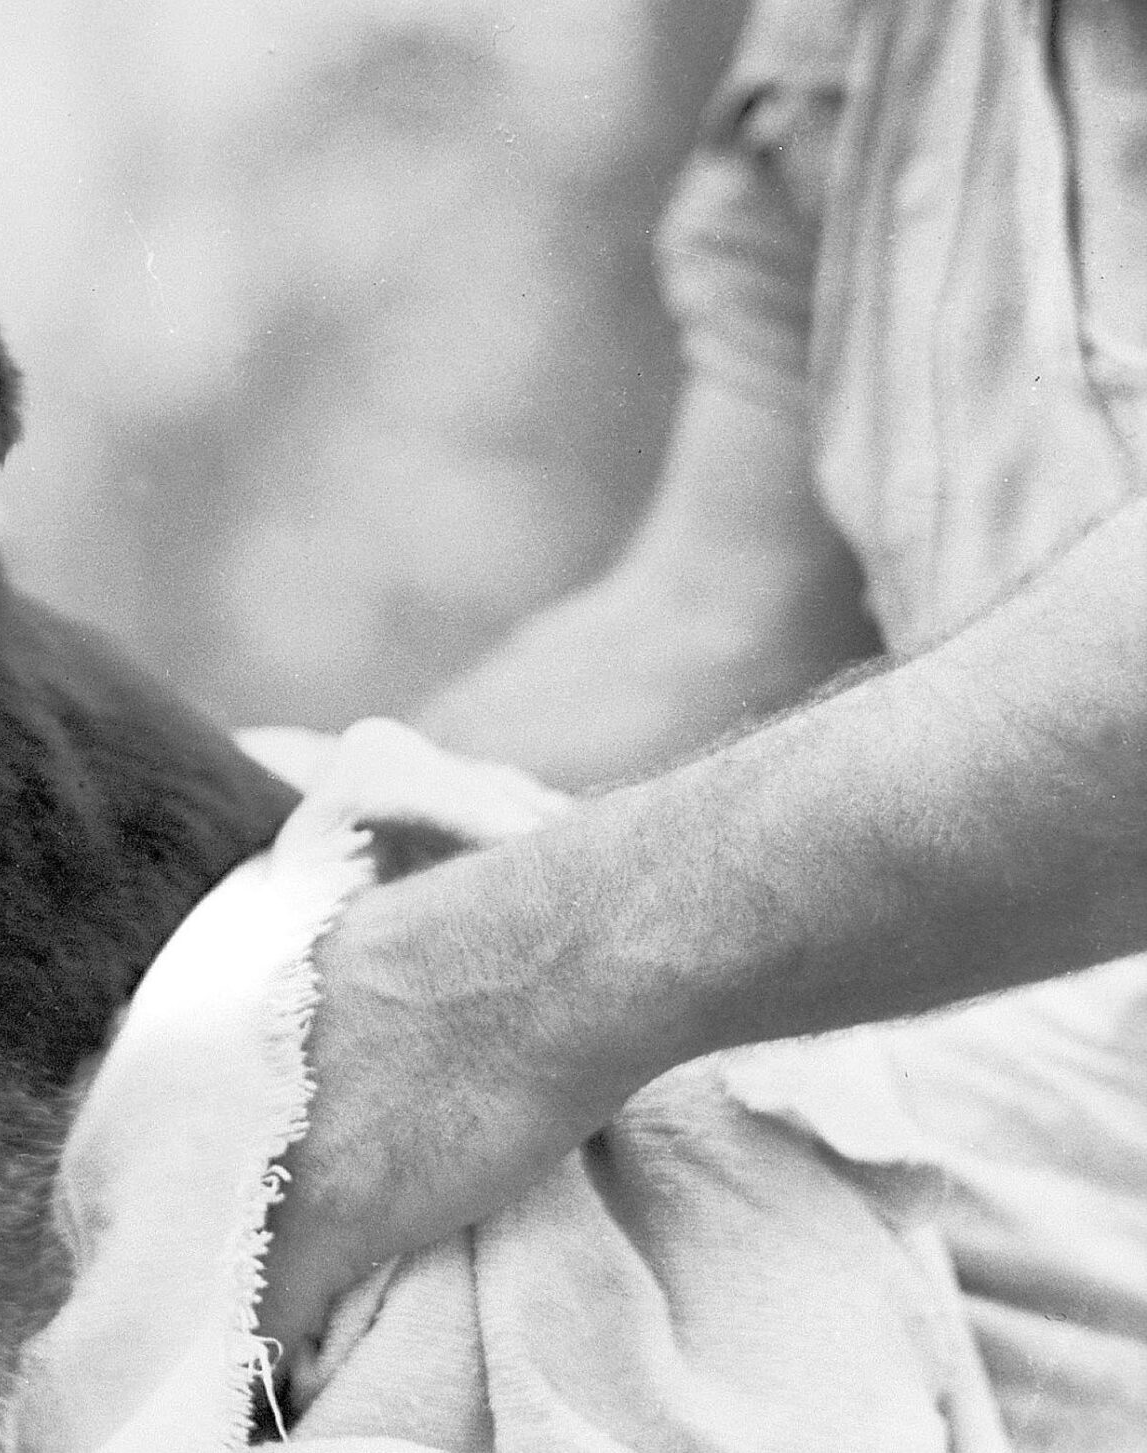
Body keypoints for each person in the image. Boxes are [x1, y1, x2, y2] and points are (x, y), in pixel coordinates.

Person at [256, 0, 1147, 1442]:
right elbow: (724, 606)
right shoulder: (888, 36)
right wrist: (230, 930)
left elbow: (531, 984)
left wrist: (511, 991)